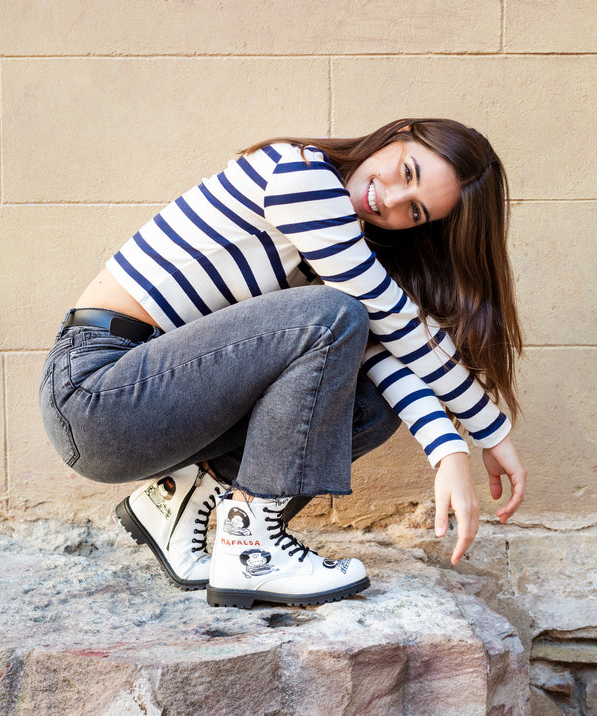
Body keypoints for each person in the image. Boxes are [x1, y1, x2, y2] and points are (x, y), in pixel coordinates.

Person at [39, 118, 526, 610]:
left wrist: (446, 447)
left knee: (370, 401)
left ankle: (176, 502)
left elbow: (384, 355)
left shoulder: (337, 242)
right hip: (94, 393)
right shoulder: (302, 175)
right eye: (406, 172)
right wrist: (489, 431)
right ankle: (253, 551)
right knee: (337, 316)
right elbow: (390, 318)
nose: (392, 200)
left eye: (415, 211)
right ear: (397, 135)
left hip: (153, 406)